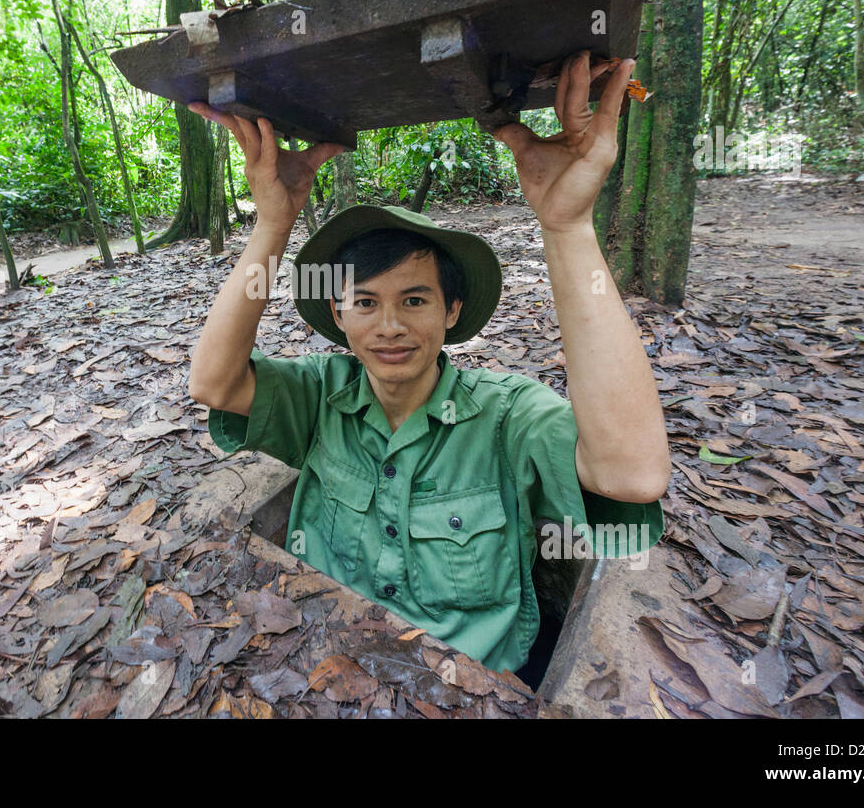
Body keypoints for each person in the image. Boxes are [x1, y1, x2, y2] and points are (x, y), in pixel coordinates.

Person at [186, 51, 670, 677]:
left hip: (471, 689)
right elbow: (213, 382)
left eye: (415, 300)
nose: (389, 326)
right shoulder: (319, 395)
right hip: (329, 673)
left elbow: (631, 476)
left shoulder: (507, 418)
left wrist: (569, 227)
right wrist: (273, 224)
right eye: (366, 302)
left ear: (451, 311)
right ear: (339, 315)